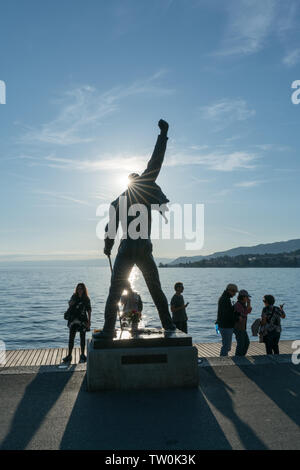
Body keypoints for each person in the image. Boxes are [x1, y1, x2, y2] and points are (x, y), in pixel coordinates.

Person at [93, 119, 176, 339]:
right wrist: (163, 134)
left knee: (115, 291)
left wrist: (107, 247)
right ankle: (168, 326)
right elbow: (156, 161)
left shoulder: (118, 200)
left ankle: (110, 329)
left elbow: (110, 228)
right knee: (155, 288)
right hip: (144, 247)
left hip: (128, 247)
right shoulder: (146, 193)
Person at [63, 283, 91, 363]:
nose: (79, 290)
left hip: (82, 320)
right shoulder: (74, 296)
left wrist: (89, 321)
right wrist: (70, 303)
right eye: (78, 288)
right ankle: (69, 355)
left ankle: (82, 355)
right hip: (73, 320)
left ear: (84, 289)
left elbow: (89, 310)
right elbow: (70, 304)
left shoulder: (86, 298)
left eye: (81, 288)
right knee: (71, 338)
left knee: (82, 338)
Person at [216, 283, 238, 356]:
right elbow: (227, 314)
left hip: (223, 325)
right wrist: (234, 310)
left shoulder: (224, 298)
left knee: (226, 346)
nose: (234, 294)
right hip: (226, 326)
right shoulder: (225, 299)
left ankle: (223, 359)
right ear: (229, 290)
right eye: (234, 292)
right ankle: (223, 361)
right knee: (226, 346)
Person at [233, 289, 252, 356]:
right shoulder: (238, 305)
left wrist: (248, 303)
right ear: (243, 297)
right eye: (246, 297)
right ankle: (238, 357)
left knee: (246, 343)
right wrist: (248, 305)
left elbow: (248, 311)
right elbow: (244, 313)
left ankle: (242, 356)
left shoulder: (243, 304)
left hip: (242, 327)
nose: (248, 298)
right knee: (241, 343)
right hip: (238, 327)